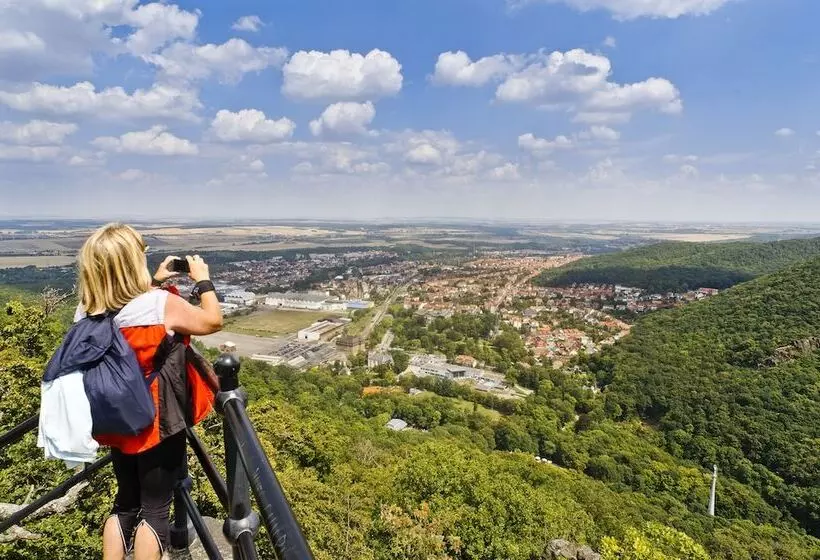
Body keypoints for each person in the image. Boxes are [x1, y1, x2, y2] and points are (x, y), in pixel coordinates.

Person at [74, 223, 223, 560]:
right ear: (131, 263)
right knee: (155, 510)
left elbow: (123, 310)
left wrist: (155, 281)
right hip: (156, 420)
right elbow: (212, 320)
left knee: (125, 503)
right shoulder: (158, 305)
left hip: (115, 417)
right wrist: (202, 278)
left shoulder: (85, 311)